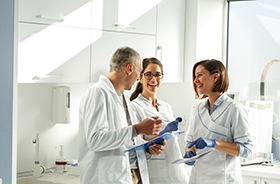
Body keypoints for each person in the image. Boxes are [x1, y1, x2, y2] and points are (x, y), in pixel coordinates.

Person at [78, 47, 166, 184]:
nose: (138, 78)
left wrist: (148, 146)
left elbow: (123, 140)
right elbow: (95, 140)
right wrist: (137, 129)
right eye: (139, 72)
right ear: (129, 68)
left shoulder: (123, 97)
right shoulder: (97, 93)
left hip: (126, 175)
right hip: (104, 178)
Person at [184, 59, 253, 184]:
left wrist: (214, 143)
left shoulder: (235, 109)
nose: (195, 81)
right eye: (195, 76)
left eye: (199, 75)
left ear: (215, 77)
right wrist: (189, 152)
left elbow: (246, 149)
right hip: (197, 179)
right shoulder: (198, 109)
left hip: (223, 180)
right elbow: (190, 143)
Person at [130, 57, 189, 184]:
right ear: (139, 78)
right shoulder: (134, 107)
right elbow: (133, 143)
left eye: (157, 75)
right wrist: (151, 145)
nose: (153, 79)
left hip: (176, 171)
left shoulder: (166, 107)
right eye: (148, 75)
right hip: (153, 173)